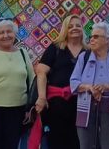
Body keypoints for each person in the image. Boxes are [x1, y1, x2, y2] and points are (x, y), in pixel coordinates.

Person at [0, 19, 36, 149]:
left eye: (9, 32)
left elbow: (32, 81)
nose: (5, 35)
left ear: (14, 34)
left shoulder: (23, 53)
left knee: (12, 144)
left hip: (18, 109)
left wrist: (29, 108)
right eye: (1, 33)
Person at [72, 21, 109, 149]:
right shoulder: (84, 57)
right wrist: (90, 88)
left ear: (107, 40)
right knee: (86, 145)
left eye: (96, 36)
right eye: (91, 37)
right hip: (86, 108)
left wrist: (106, 86)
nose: (91, 39)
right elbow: (74, 82)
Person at [37, 14, 86, 149]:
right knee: (57, 141)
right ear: (65, 29)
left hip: (82, 103)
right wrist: (41, 97)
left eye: (78, 25)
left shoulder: (88, 50)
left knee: (79, 141)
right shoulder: (56, 48)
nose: (74, 28)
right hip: (57, 104)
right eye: (70, 26)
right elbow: (41, 72)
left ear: (83, 28)